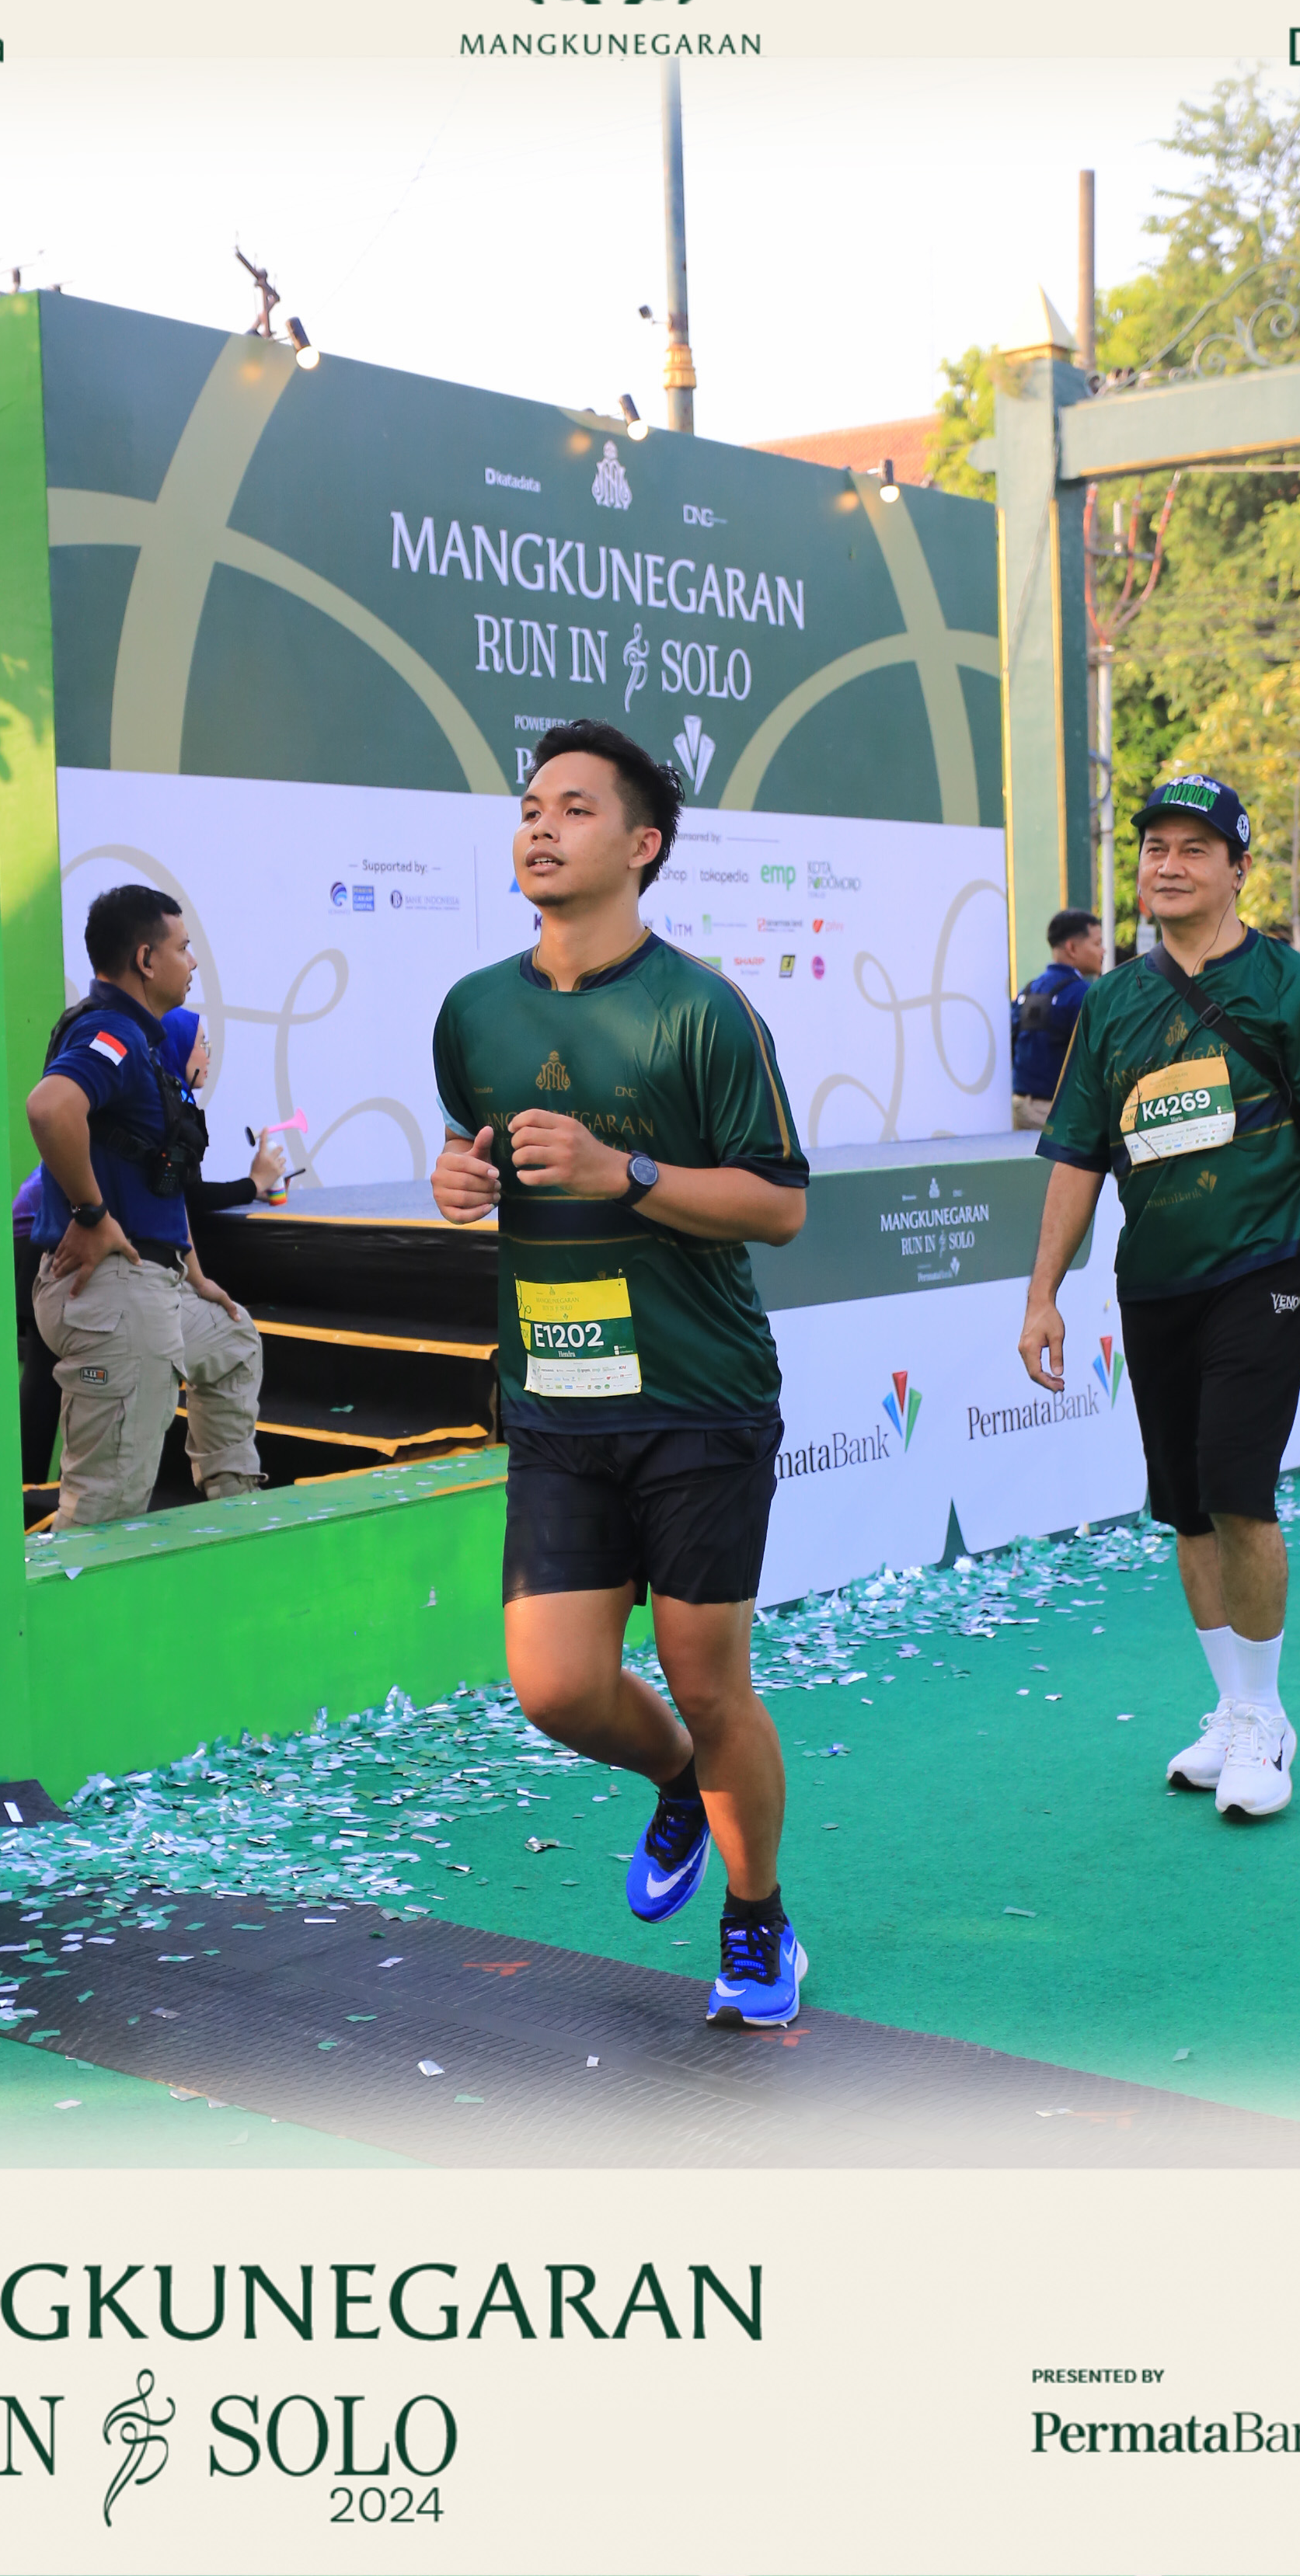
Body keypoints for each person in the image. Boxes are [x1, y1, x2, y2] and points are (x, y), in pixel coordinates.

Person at [430, 719, 811, 2028]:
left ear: (642, 846)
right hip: (555, 1394)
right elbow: (472, 1146)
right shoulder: (473, 1010)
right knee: (556, 1687)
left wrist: (623, 1172)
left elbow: (778, 1206)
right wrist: (458, 1179)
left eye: (574, 808)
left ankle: (757, 1922)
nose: (539, 826)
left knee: (708, 1676)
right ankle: (678, 1779)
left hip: (699, 1393)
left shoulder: (702, 1009)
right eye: (530, 806)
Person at [1016, 771, 1300, 1823]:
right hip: (1154, 1281)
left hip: (1266, 1269)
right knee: (1183, 1505)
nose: (1168, 866)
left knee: (1235, 1486)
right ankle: (1231, 1709)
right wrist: (1041, 1295)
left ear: (1236, 869)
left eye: (1192, 848)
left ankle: (1265, 1718)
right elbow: (1077, 1158)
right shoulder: (1111, 1003)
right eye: (1154, 849)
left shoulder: (1289, 986)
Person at [26, 885, 267, 1527]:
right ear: (145, 959)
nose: (193, 961)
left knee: (234, 1341)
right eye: (183, 948)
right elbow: (49, 1108)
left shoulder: (141, 1039)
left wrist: (193, 1273)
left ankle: (235, 1522)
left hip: (150, 1287)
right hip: (114, 1298)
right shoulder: (111, 1033)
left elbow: (159, 1177)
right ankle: (78, 1592)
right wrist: (92, 1215)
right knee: (106, 1510)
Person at [159, 1005, 292, 1213]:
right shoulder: (166, 1110)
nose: (208, 1057)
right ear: (178, 1047)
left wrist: (254, 1189)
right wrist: (253, 1184)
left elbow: (188, 1188)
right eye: (202, 1044)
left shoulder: (176, 1101)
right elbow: (191, 1197)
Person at [1010, 907, 1104, 1130]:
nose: (1103, 951)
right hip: (1058, 1116)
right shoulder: (1083, 995)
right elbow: (1095, 1061)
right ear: (1072, 948)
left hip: (1018, 1110)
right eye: (1097, 943)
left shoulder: (1028, 990)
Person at [12, 1165, 62, 1490]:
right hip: (51, 1231)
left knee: (43, 1374)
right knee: (46, 1376)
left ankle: (26, 1495)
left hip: (33, 1229)